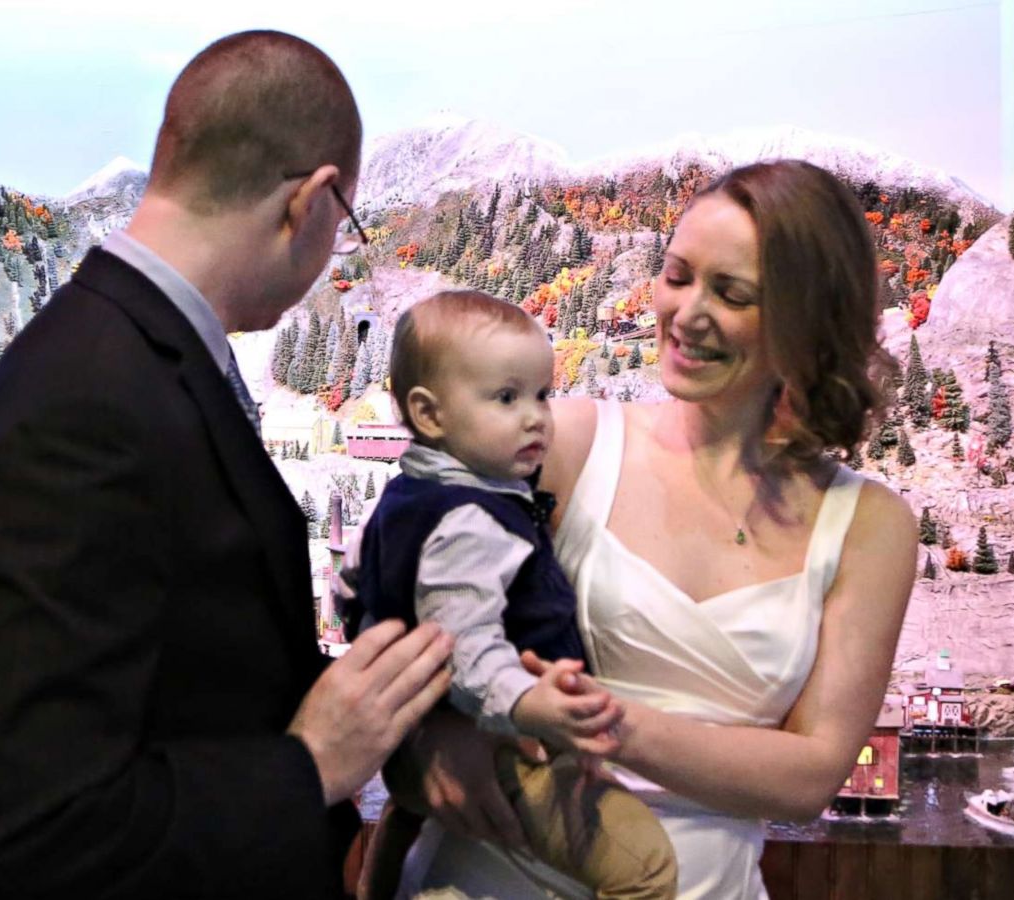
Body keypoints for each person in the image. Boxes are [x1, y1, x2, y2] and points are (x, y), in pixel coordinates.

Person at [0, 31, 453, 900]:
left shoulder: (140, 352)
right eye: (349, 224)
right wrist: (311, 767)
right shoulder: (88, 402)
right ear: (314, 201)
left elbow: (197, 672)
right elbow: (24, 828)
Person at [353, 159, 919, 898]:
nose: (687, 313)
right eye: (678, 276)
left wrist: (602, 724)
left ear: (806, 321)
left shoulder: (869, 526)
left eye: (732, 293)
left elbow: (811, 776)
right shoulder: (569, 445)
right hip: (489, 873)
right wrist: (431, 739)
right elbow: (400, 592)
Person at [348, 290, 677, 900]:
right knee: (647, 864)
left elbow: (357, 586)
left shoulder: (408, 497)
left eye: (541, 395)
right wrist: (534, 705)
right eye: (506, 398)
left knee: (411, 816)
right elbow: (466, 649)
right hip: (505, 740)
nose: (535, 418)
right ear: (430, 414)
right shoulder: (471, 521)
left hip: (430, 742)